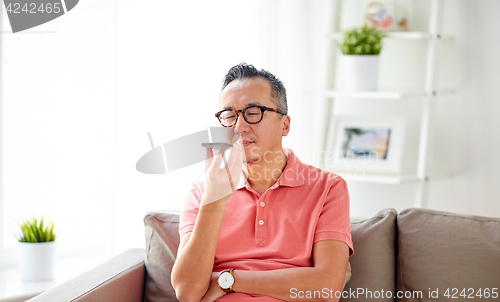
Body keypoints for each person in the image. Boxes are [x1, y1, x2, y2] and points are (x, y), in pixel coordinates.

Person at [171, 63, 353, 302]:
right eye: (229, 116)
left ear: (284, 124)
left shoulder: (328, 187)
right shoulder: (201, 192)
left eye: (253, 112)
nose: (238, 127)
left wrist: (226, 280)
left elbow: (326, 287)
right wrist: (215, 198)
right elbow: (186, 291)